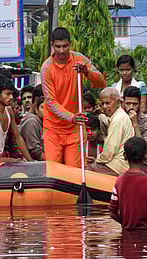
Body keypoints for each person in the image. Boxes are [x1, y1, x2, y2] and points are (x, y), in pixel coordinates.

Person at [41, 27, 107, 167]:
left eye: (65, 46)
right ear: (52, 45)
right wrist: (71, 117)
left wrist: (87, 72)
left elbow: (101, 82)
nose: (62, 51)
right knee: (54, 171)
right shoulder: (46, 68)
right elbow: (51, 102)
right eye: (58, 47)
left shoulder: (79, 59)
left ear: (70, 44)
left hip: (74, 128)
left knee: (75, 172)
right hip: (53, 128)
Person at [109, 137, 147, 229]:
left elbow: (112, 212)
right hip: (146, 233)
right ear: (145, 155)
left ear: (125, 155)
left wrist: (125, 223)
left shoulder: (119, 181)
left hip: (126, 234)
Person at [86, 88, 133, 176]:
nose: (104, 106)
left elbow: (109, 151)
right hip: (117, 163)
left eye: (107, 103)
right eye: (102, 103)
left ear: (119, 102)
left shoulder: (117, 120)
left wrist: (97, 160)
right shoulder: (119, 116)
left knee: (85, 172)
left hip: (116, 166)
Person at [122, 86, 147, 174]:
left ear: (139, 104)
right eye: (128, 103)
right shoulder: (122, 118)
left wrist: (135, 124)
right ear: (123, 103)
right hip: (126, 161)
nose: (131, 107)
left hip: (142, 165)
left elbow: (144, 149)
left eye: (134, 104)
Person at [19, 96, 45, 161]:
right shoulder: (31, 122)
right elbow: (35, 152)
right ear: (36, 109)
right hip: (30, 164)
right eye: (43, 107)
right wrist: (54, 162)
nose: (46, 111)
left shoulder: (48, 124)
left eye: (49, 109)